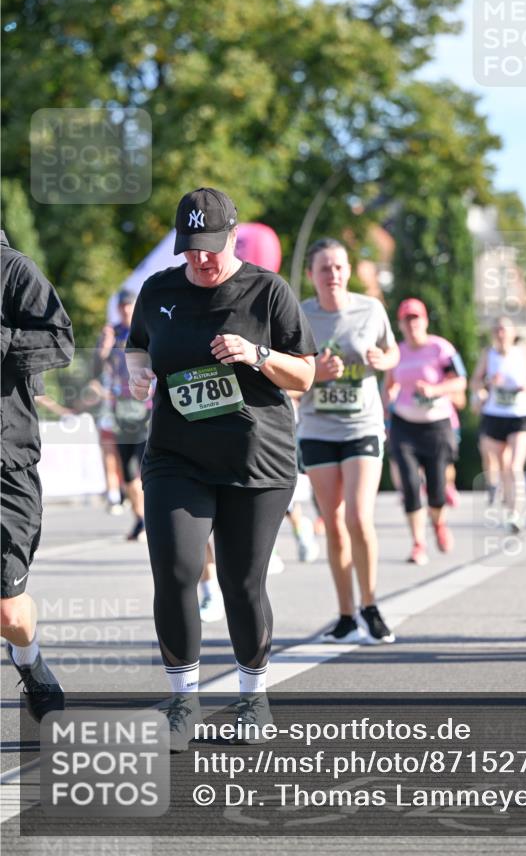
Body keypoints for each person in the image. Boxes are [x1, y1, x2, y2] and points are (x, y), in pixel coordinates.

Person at [125, 188, 316, 749]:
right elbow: (139, 347)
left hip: (256, 459)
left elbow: (304, 375)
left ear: (232, 236)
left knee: (240, 582)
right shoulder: (158, 290)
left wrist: (257, 355)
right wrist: (139, 375)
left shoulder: (267, 291)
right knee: (178, 573)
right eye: (190, 249)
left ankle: (253, 700)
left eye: (210, 247)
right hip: (175, 456)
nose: (200, 259)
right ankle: (182, 703)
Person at [297, 238, 399, 645]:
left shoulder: (370, 309)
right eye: (324, 268)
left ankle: (370, 605)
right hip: (319, 428)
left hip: (362, 426)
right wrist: (315, 374)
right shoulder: (299, 315)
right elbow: (289, 373)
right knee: (334, 525)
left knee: (358, 517)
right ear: (311, 275)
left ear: (348, 271)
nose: (333, 275)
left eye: (339, 267)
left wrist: (382, 361)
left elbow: (393, 352)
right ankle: (344, 615)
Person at [1, 230, 75, 720]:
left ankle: (29, 662)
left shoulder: (13, 270)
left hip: (6, 461)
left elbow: (60, 339)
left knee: (8, 611)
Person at [383, 298, 467, 565]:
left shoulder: (440, 348)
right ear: (400, 324)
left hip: (437, 424)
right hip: (404, 424)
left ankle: (439, 523)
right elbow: (389, 386)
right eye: (407, 320)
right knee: (409, 485)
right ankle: (418, 543)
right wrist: (385, 414)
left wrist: (435, 390)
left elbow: (460, 381)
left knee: (437, 489)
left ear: (425, 321)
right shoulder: (397, 352)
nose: (412, 325)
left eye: (416, 318)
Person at [470, 317, 526, 533]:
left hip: (519, 414)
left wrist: (524, 386)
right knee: (500, 465)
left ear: (513, 332)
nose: (501, 333)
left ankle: (516, 513)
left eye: (505, 330)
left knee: (514, 466)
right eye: (497, 330)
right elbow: (475, 382)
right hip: (495, 414)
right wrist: (488, 382)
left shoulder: (522, 352)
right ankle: (509, 510)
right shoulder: (488, 355)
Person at [95, 288, 150, 540]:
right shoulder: (112, 332)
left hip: (145, 410)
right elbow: (95, 369)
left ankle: (150, 519)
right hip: (121, 412)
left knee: (143, 469)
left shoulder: (146, 328)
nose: (126, 310)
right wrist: (103, 349)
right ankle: (141, 519)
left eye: (130, 306)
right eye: (122, 307)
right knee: (128, 473)